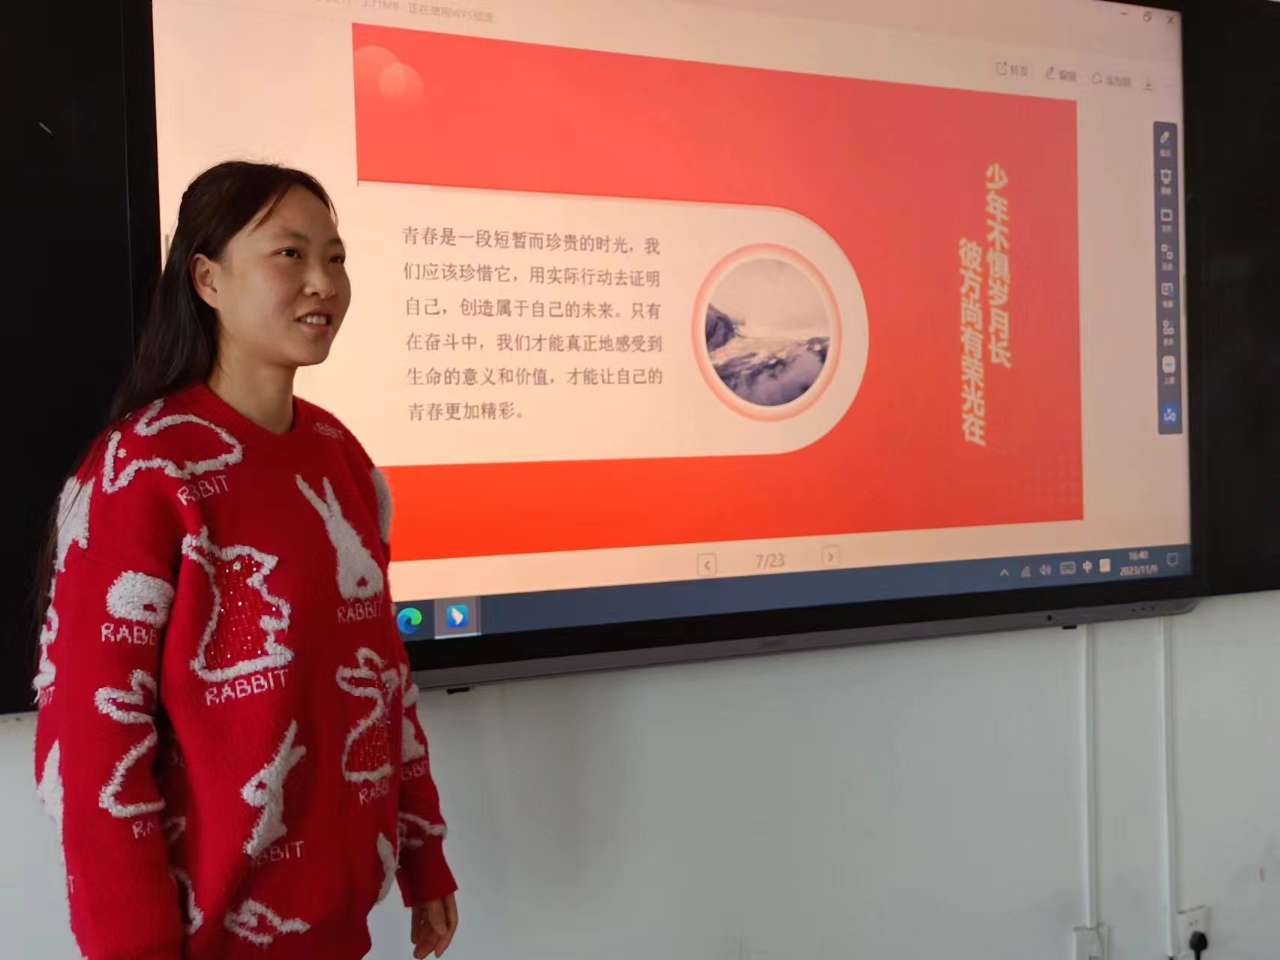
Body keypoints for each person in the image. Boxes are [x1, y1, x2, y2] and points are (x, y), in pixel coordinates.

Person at [31, 160, 459, 959]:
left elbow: (382, 673)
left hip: (337, 929)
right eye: (289, 254)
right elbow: (93, 739)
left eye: (335, 257)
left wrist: (421, 854)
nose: (323, 282)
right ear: (208, 279)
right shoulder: (142, 470)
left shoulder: (340, 457)